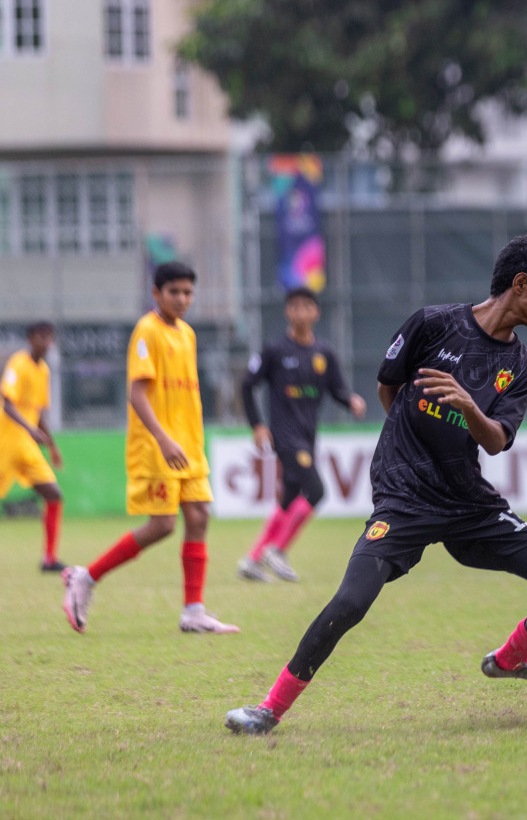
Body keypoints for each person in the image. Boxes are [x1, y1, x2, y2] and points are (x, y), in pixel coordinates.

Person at [225, 235, 527, 736]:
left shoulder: (524, 367)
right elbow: (387, 387)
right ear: (520, 284)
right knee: (351, 602)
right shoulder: (433, 323)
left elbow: (496, 441)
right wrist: (408, 452)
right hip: (404, 500)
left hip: (471, 506)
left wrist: (467, 406)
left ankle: (509, 660)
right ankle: (268, 709)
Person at [61, 262, 239, 634]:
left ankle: (193, 610)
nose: (182, 299)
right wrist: (163, 437)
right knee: (162, 525)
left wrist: (187, 438)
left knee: (199, 517)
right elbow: (137, 393)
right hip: (159, 444)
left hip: (188, 444)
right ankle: (86, 577)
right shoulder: (147, 330)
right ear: (156, 294)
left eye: (188, 292)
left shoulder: (187, 334)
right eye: (174, 291)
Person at [237, 288, 368, 583]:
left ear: (315, 312)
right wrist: (257, 425)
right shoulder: (274, 351)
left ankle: (253, 559)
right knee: (318, 491)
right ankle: (277, 550)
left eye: (306, 307)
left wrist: (351, 401)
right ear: (287, 312)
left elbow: (337, 389)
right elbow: (247, 385)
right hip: (285, 436)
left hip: (308, 436)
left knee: (289, 499)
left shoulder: (324, 353)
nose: (300, 312)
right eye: (294, 307)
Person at [1, 322, 66, 571]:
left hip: (27, 447)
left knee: (54, 495)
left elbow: (38, 413)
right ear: (30, 338)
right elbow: (7, 404)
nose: (47, 342)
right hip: (5, 443)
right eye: (42, 336)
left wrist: (52, 445)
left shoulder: (44, 371)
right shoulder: (18, 364)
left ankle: (49, 559)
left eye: (50, 337)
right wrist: (29, 429)